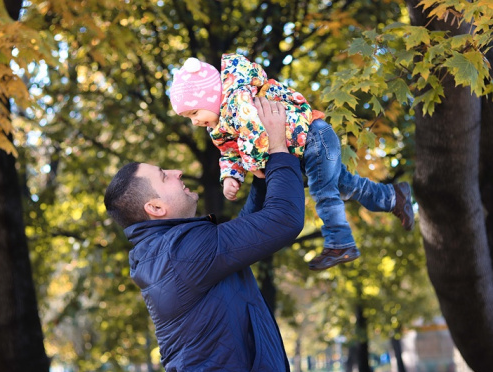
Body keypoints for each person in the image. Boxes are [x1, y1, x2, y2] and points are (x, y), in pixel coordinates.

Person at [104, 98, 303, 372]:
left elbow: (245, 235)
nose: (177, 172)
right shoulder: (180, 254)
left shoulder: (170, 252)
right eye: (164, 176)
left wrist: (260, 174)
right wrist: (280, 148)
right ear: (156, 208)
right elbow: (284, 219)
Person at [168, 53, 414, 270]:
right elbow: (230, 152)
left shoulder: (237, 103)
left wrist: (255, 168)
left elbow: (256, 134)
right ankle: (393, 196)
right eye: (188, 117)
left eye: (194, 113)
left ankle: (340, 242)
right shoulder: (220, 126)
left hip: (314, 137)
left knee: (324, 191)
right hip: (303, 149)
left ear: (211, 98)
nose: (194, 122)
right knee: (345, 185)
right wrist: (231, 175)